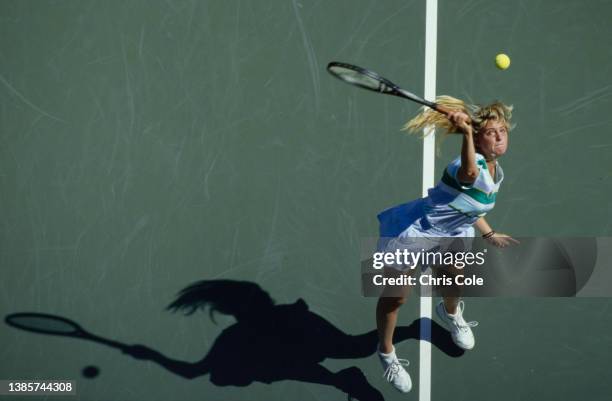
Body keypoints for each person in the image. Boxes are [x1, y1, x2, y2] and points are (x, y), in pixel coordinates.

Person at [374, 96, 518, 393]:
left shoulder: (495, 170)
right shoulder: (466, 164)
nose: (499, 135)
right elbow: (468, 175)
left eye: (502, 130)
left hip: (453, 234)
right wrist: (465, 134)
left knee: (454, 279)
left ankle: (450, 313)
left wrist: (489, 234)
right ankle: (386, 352)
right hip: (417, 234)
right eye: (491, 132)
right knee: (396, 298)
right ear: (477, 139)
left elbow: (471, 208)